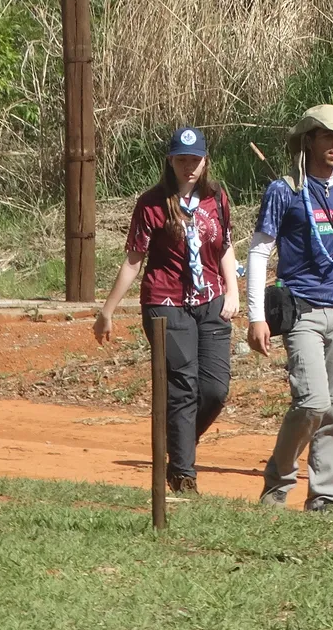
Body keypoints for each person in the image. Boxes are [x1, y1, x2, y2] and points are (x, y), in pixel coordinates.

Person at [247, 105, 333, 512]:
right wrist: (256, 315)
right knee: (312, 401)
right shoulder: (285, 190)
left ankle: (325, 497)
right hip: (303, 309)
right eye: (328, 135)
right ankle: (278, 479)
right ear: (309, 140)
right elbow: (259, 250)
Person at [94, 126, 239, 496]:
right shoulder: (152, 203)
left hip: (211, 302)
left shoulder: (217, 197)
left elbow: (224, 247)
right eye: (182, 159)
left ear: (205, 160)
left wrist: (234, 293)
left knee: (215, 389)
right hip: (166, 303)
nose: (189, 166)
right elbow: (133, 259)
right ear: (170, 161)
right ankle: (183, 475)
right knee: (183, 386)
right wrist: (107, 311)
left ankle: (177, 442)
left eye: (195, 159)